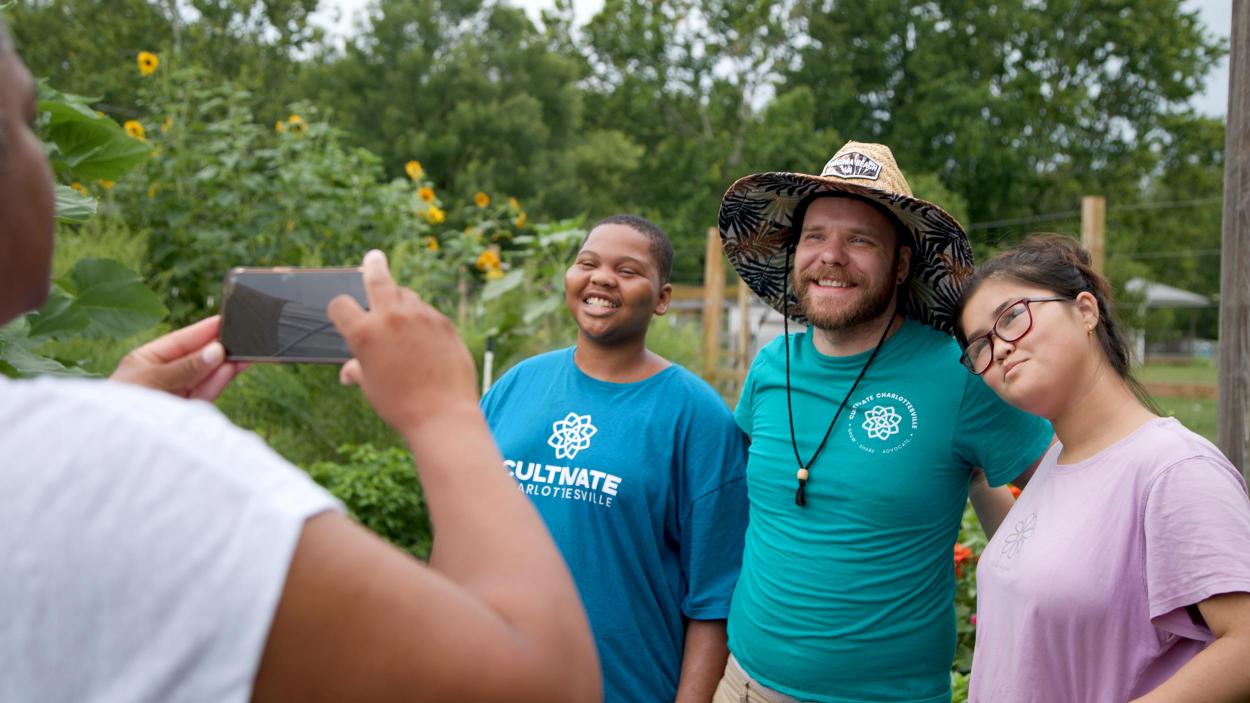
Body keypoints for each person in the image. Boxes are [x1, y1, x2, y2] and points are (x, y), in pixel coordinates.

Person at [0, 22, 600, 703]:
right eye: (25, 124)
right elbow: (543, 682)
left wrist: (109, 426)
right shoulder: (136, 472)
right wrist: (441, 409)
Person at [711, 141, 1053, 703]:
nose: (831, 255)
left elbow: (1067, 494)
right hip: (742, 684)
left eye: (860, 240)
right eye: (815, 236)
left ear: (900, 265)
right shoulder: (772, 365)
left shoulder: (960, 373)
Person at [954, 234, 1250, 702]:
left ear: (1086, 311)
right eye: (980, 346)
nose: (1000, 348)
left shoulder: (1173, 469)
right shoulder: (1055, 463)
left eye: (1011, 317)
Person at [480, 214, 749, 703]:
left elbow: (714, 601)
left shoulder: (697, 418)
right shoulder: (515, 387)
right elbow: (462, 534)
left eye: (627, 270)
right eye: (588, 262)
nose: (602, 277)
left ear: (662, 298)